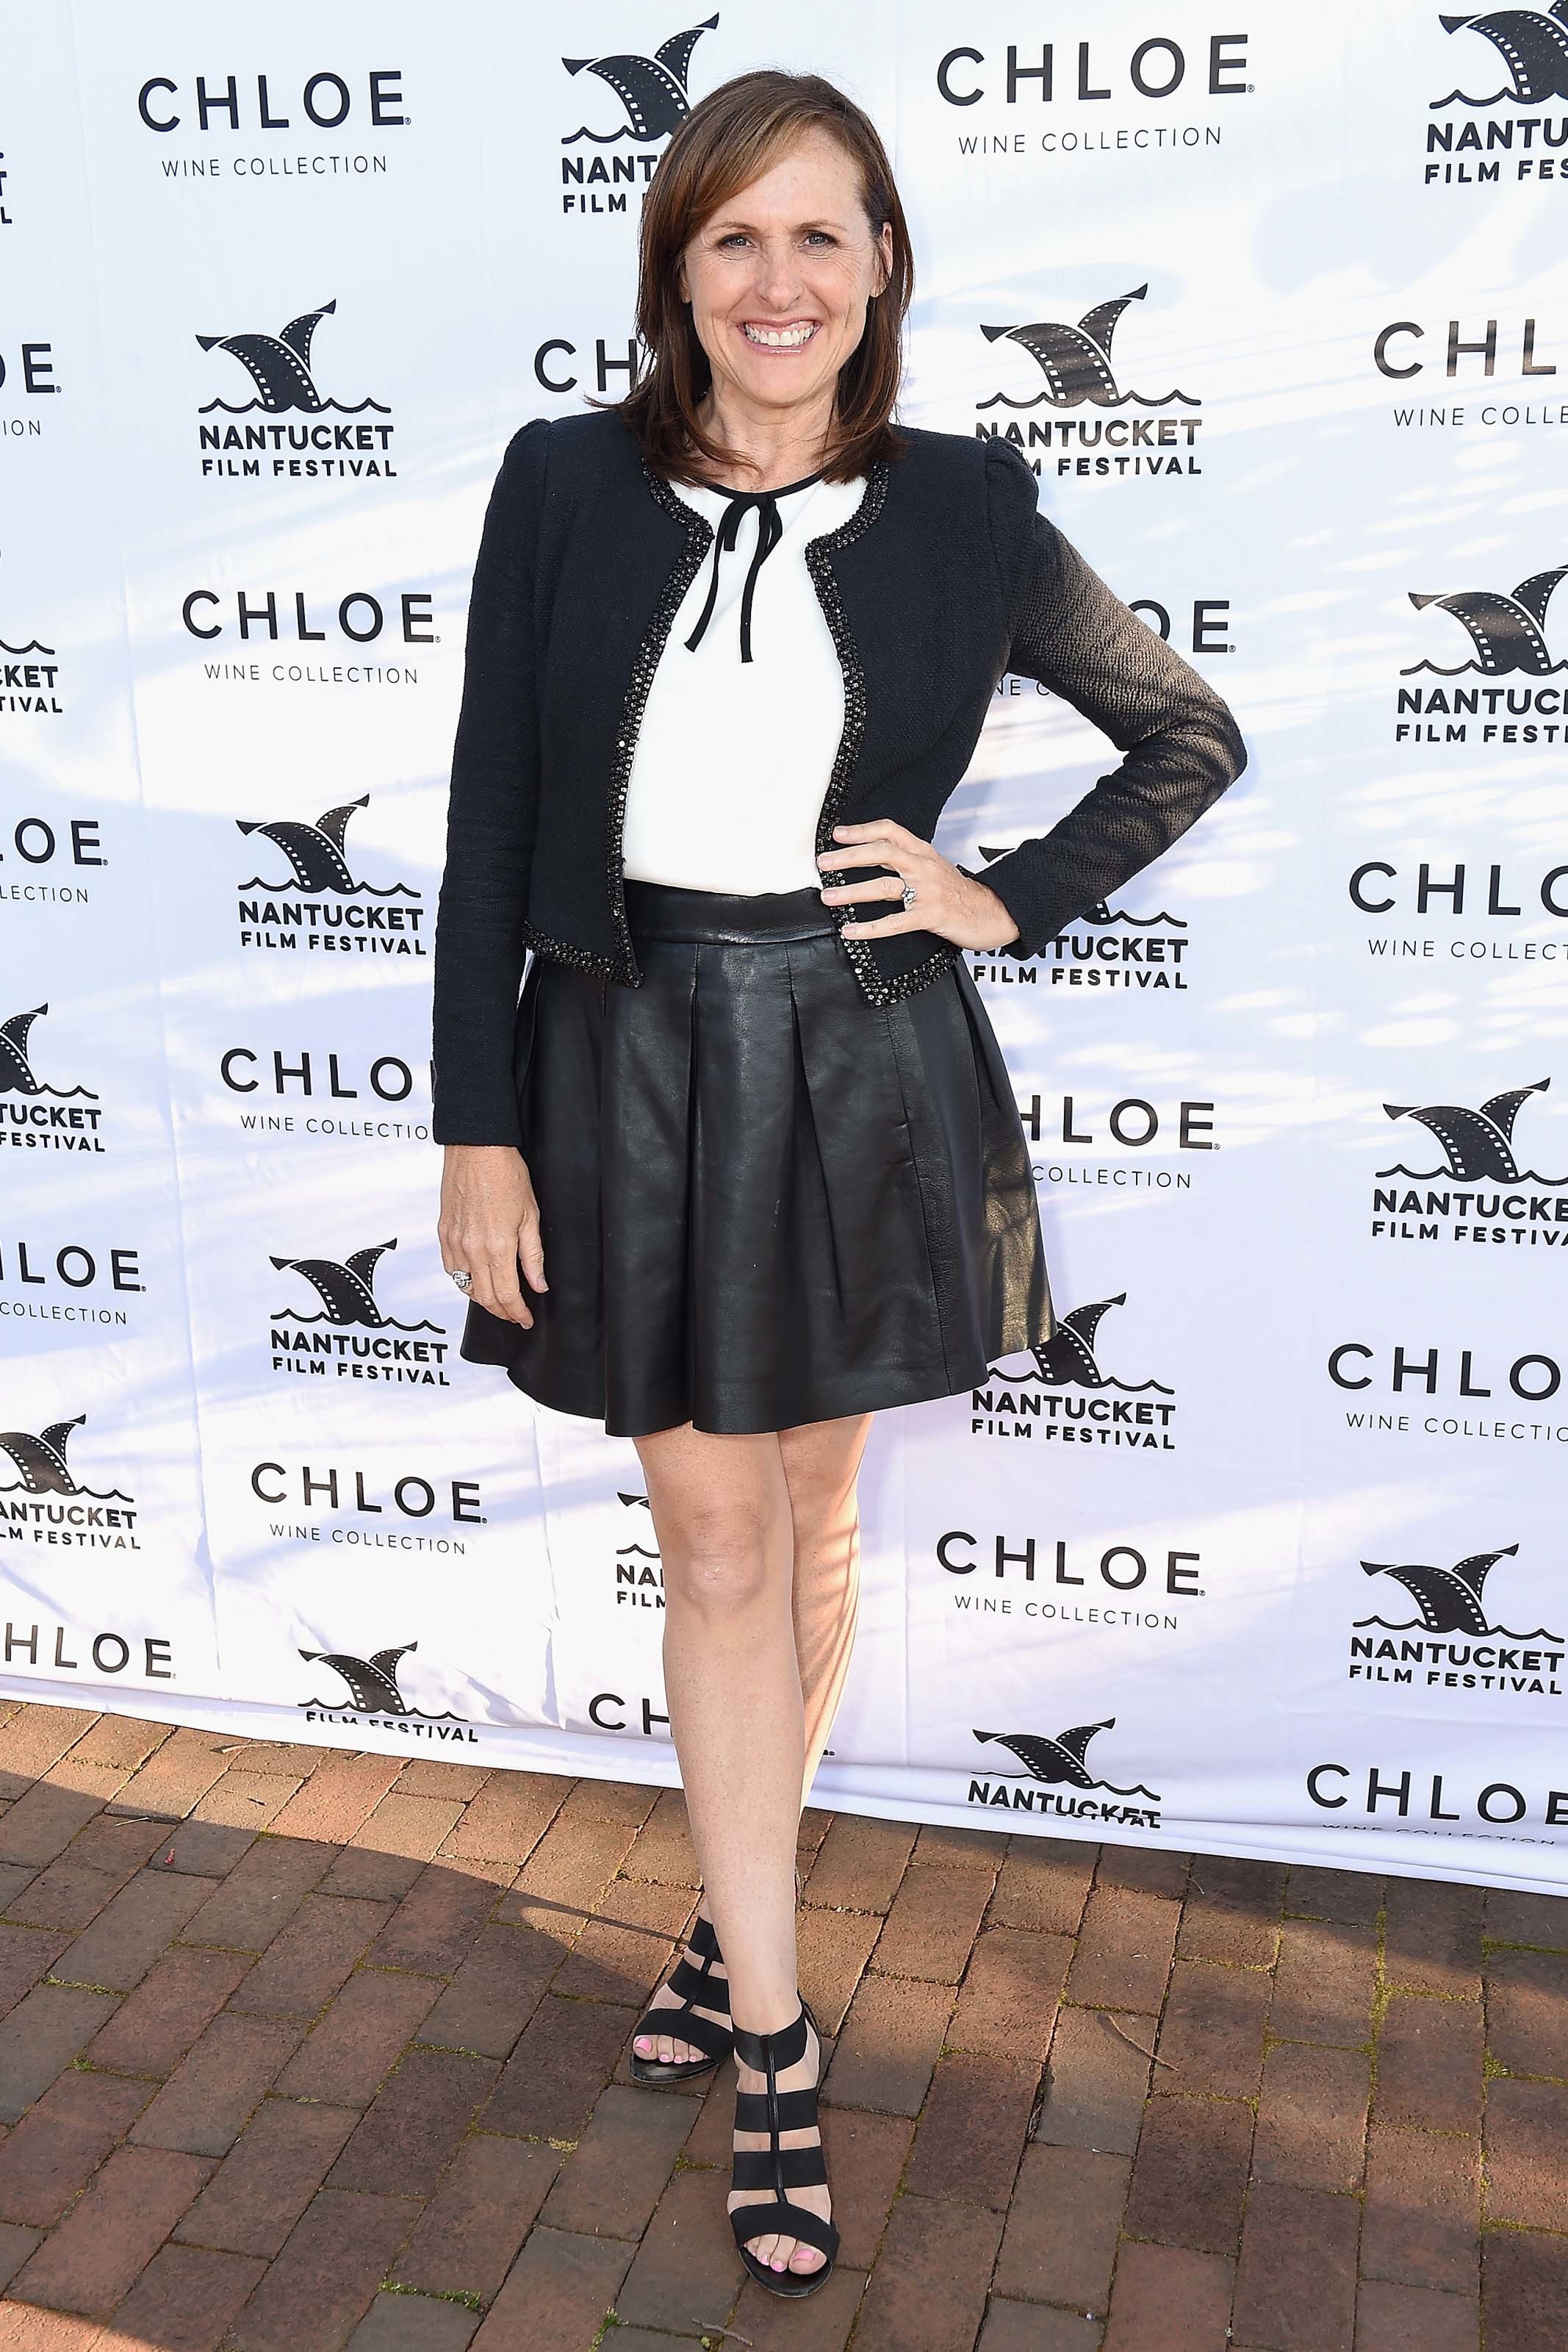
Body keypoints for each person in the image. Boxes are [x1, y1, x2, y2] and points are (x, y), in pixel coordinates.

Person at [431, 69, 1245, 2301]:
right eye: (734, 237)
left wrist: (1009, 894)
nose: (776, 281)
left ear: (884, 263)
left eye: (821, 234)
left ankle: (735, 1913)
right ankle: (778, 2039)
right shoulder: (565, 482)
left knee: (806, 1524)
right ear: (675, 270)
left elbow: (1187, 731)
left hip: (863, 1058)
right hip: (620, 1049)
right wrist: (476, 1122)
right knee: (710, 1535)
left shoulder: (970, 502)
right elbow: (491, 816)